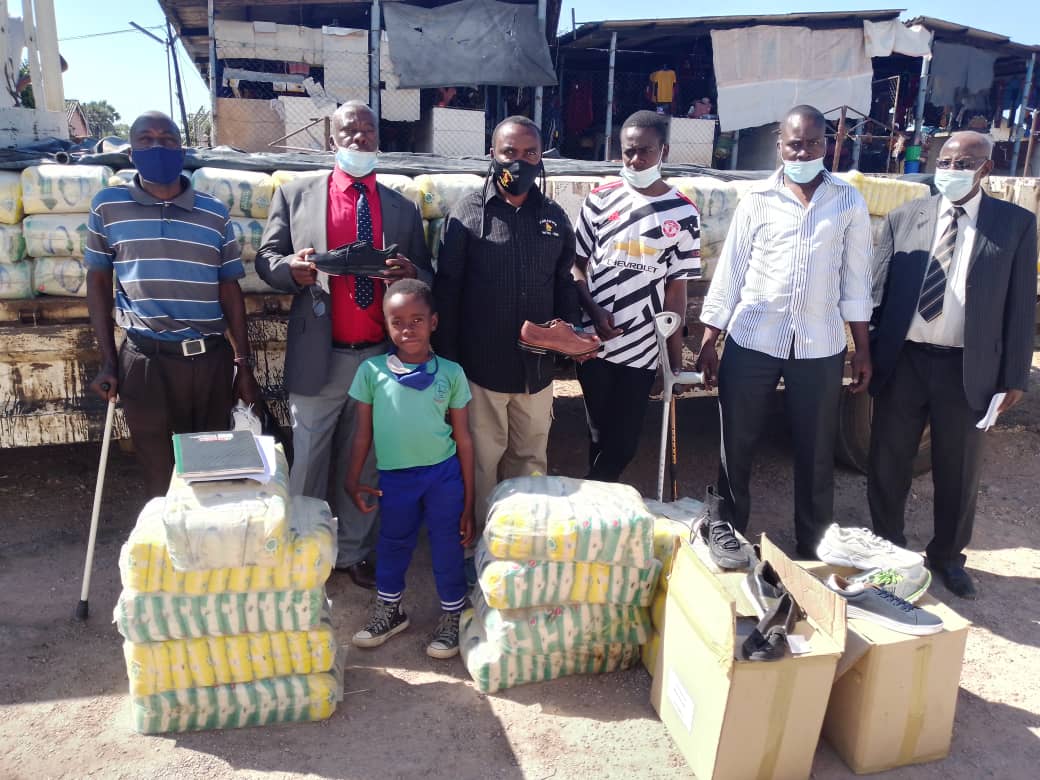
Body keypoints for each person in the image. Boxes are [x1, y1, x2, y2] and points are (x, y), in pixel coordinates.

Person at [256, 101, 432, 589]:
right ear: (332, 140)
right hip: (321, 354)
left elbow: (426, 270)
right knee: (309, 457)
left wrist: (414, 274)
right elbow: (266, 258)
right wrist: (289, 269)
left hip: (378, 357)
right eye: (348, 131)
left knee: (369, 456)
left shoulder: (400, 207)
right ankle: (304, 551)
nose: (359, 139)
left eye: (367, 130)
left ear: (379, 137)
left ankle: (353, 552)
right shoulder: (296, 196)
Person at [697, 104, 873, 561]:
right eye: (795, 143)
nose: (803, 151)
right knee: (736, 438)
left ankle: (813, 541)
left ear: (827, 145)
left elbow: (856, 281)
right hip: (753, 338)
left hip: (819, 343)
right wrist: (709, 337)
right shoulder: (757, 198)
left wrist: (862, 350)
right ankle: (728, 528)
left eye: (813, 142)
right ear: (780, 145)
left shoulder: (847, 200)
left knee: (815, 447)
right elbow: (731, 269)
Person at [867, 131, 1037, 600]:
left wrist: (1014, 377)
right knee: (888, 462)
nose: (950, 169)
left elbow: (1021, 307)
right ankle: (888, 551)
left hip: (968, 370)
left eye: (963, 162)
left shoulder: (1015, 225)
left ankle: (946, 557)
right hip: (905, 363)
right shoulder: (906, 217)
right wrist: (869, 353)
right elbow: (878, 292)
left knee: (958, 470)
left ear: (986, 168)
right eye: (945, 160)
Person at [85, 111, 258, 499]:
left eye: (167, 138)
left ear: (182, 149)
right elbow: (97, 282)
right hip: (145, 360)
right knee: (159, 473)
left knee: (212, 469)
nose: (157, 146)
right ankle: (168, 550)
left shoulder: (213, 212)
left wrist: (243, 366)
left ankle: (209, 551)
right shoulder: (107, 206)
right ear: (131, 152)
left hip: (209, 361)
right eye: (146, 139)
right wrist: (108, 361)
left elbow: (230, 288)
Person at [434, 115, 581, 537]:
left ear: (541, 158)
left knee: (530, 460)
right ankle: (479, 543)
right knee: (481, 462)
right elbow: (449, 290)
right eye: (510, 153)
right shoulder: (467, 214)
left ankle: (523, 543)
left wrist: (568, 339)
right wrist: (450, 366)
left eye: (530, 153)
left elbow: (562, 281)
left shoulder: (553, 216)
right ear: (492, 156)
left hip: (536, 372)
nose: (520, 163)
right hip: (481, 370)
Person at [346, 279, 475, 658]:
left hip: (443, 477)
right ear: (385, 325)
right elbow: (361, 435)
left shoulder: (451, 373)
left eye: (417, 319)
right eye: (397, 321)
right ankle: (390, 610)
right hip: (396, 479)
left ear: (433, 322)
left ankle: (453, 615)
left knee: (447, 544)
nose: (407, 328)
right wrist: (351, 479)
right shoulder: (372, 372)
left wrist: (469, 500)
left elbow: (464, 439)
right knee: (393, 543)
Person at [573, 110, 701, 482]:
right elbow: (575, 266)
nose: (635, 160)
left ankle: (593, 499)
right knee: (599, 434)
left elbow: (677, 289)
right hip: (594, 341)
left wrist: (672, 361)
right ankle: (598, 516)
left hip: (643, 346)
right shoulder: (599, 200)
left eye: (644, 151)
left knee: (624, 443)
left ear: (664, 150)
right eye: (628, 151)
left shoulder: (683, 211)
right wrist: (594, 313)